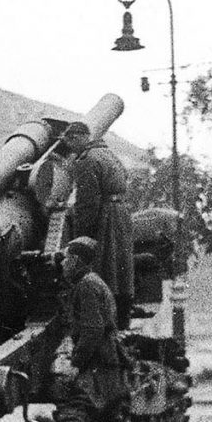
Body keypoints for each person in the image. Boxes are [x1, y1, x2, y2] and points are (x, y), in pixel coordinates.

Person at [53, 236, 133, 422]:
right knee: (108, 411)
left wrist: (76, 363)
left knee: (75, 410)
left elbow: (92, 328)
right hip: (107, 359)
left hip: (97, 361)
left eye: (67, 258)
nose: (63, 263)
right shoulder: (94, 282)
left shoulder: (86, 286)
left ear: (76, 260)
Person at [60, 121, 134, 330]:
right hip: (120, 215)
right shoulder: (107, 153)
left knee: (105, 268)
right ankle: (122, 318)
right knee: (121, 270)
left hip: (105, 218)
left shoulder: (86, 160)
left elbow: (87, 203)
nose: (71, 148)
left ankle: (106, 322)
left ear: (77, 138)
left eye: (70, 142)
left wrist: (81, 237)